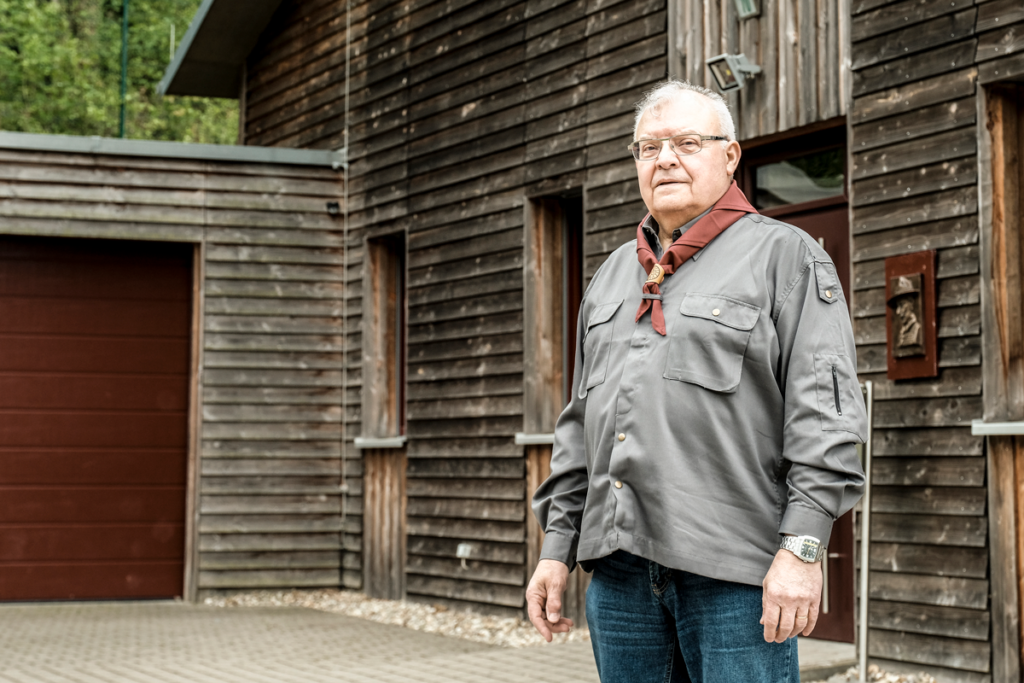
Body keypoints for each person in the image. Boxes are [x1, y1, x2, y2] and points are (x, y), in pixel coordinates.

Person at [526, 80, 867, 683]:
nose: (664, 160)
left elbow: (827, 420)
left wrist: (802, 549)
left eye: (686, 143)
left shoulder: (786, 258)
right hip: (620, 579)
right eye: (648, 147)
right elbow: (580, 427)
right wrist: (557, 548)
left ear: (729, 156)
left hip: (736, 576)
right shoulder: (610, 277)